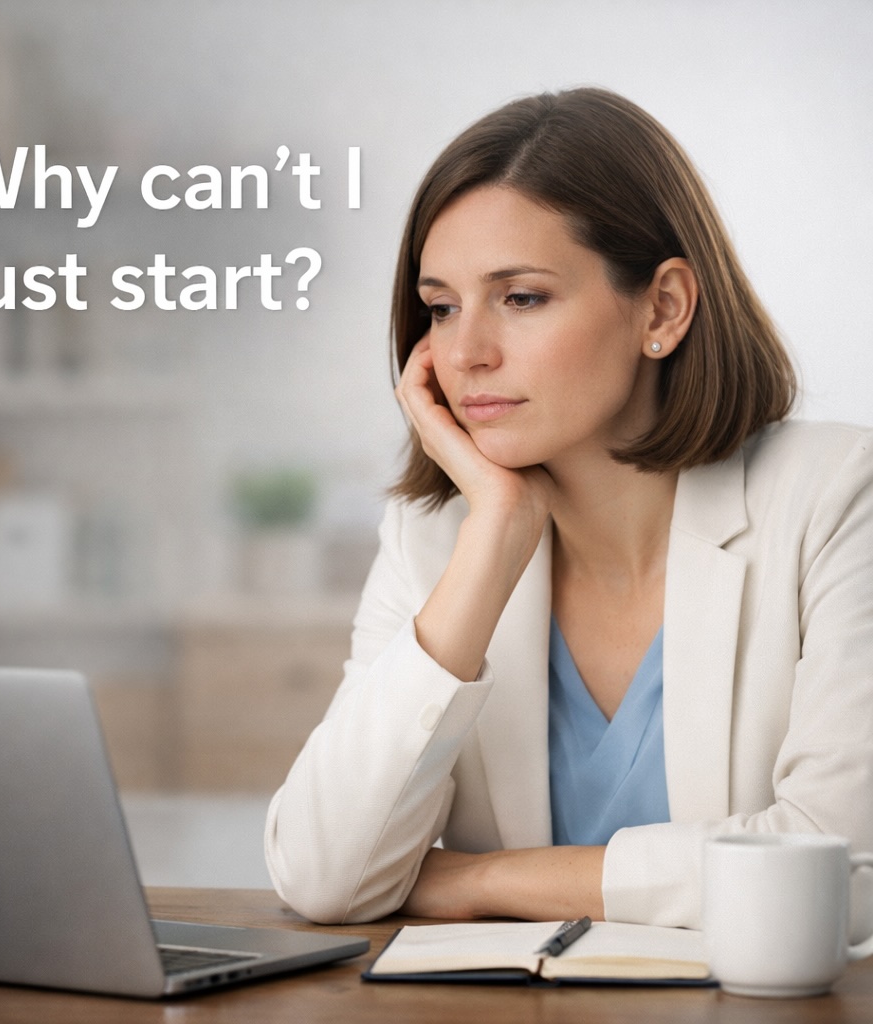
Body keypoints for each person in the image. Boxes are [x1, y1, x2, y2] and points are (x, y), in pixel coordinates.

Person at [263, 87, 873, 929]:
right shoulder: (437, 538)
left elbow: (842, 871)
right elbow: (324, 877)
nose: (466, 353)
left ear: (662, 308)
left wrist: (483, 882)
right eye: (441, 308)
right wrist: (496, 539)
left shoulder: (838, 493)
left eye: (521, 298)